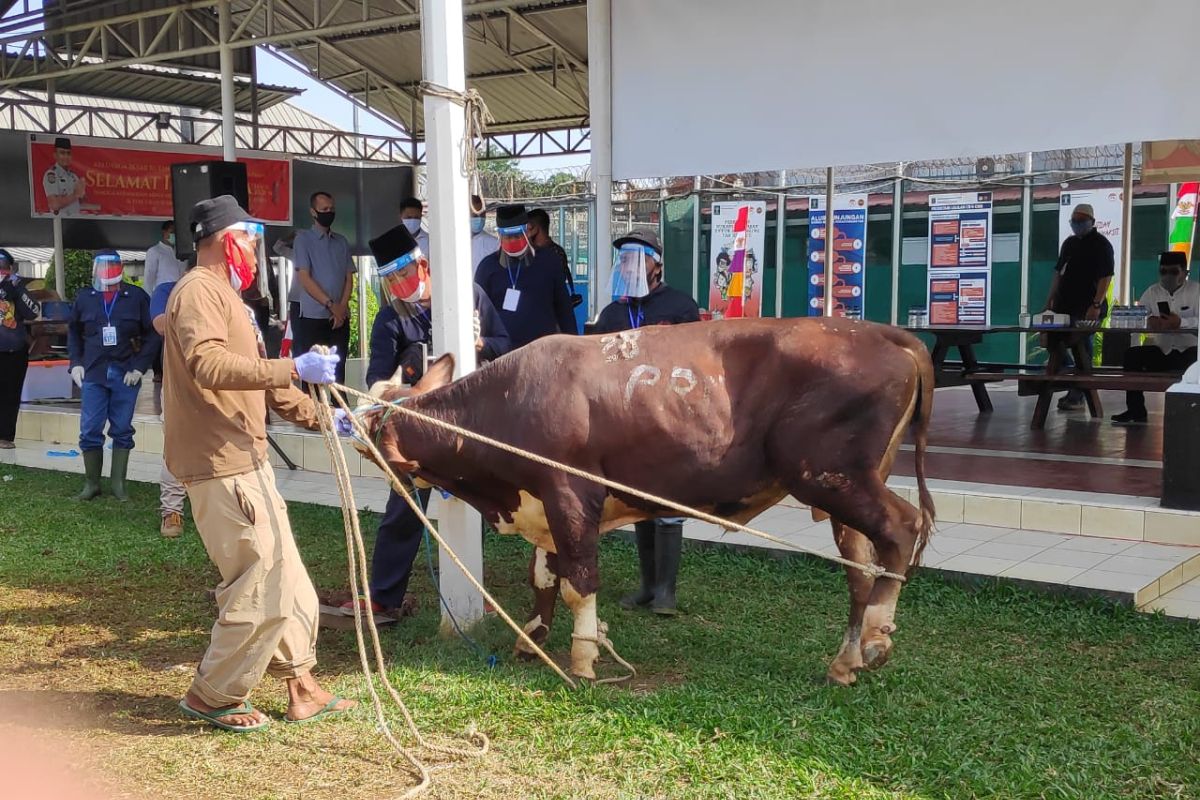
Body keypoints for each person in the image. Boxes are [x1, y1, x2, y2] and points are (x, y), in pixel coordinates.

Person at [164, 194, 353, 731]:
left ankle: (302, 684)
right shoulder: (199, 291)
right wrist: (292, 364)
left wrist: (324, 417)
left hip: (248, 457)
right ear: (228, 239)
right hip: (220, 463)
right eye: (249, 237)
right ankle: (214, 695)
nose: (255, 248)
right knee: (260, 578)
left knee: (287, 575)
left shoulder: (228, 297)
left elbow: (259, 382)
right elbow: (209, 363)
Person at [340, 223, 511, 619]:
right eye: (392, 279)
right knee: (403, 509)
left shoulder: (469, 297)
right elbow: (376, 380)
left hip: (467, 425)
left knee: (473, 508)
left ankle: (470, 590)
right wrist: (401, 378)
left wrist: (480, 342)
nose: (401, 284)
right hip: (416, 434)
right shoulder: (389, 320)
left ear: (423, 265)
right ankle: (383, 596)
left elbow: (507, 346)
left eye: (404, 273)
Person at [594, 229, 700, 616]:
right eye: (623, 258)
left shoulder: (681, 306)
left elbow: (696, 361)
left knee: (668, 500)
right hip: (626, 424)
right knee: (639, 502)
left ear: (658, 263)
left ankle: (666, 592)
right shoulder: (612, 313)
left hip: (669, 420)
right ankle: (646, 586)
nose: (629, 265)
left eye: (638, 257)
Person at [67, 250, 155, 501]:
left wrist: (140, 367)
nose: (107, 272)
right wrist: (75, 363)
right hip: (93, 373)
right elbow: (73, 331)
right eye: (102, 267)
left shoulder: (135, 297)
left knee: (122, 428)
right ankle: (92, 484)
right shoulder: (85, 297)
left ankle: (118, 484)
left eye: (111, 267)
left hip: (125, 373)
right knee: (90, 429)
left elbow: (153, 334)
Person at [1111, 251, 1200, 424]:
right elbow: (1139, 316)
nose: (1168, 276)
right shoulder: (1152, 292)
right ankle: (1135, 410)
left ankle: (1191, 413)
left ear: (1185, 272)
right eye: (1163, 271)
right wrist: (1149, 321)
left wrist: (1180, 323)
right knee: (1132, 356)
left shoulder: (1196, 291)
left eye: (1173, 272)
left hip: (1191, 353)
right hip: (1163, 351)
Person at [474, 203, 579, 349]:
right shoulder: (487, 267)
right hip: (502, 357)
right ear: (499, 235)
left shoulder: (549, 261)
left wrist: (573, 347)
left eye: (517, 235)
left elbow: (564, 309)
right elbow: (478, 314)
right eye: (507, 236)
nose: (512, 241)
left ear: (527, 231)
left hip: (542, 353)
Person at [1043, 203, 1114, 411]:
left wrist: (1096, 304)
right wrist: (1049, 300)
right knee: (1051, 338)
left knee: (1082, 342)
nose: (1077, 225)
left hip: (1087, 306)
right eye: (1074, 221)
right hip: (1064, 305)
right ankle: (1066, 371)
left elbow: (1105, 276)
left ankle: (1078, 392)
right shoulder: (1069, 244)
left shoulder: (1101, 245)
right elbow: (1059, 273)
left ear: (1092, 222)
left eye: (1081, 221)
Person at [292, 191, 355, 384]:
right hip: (312, 317)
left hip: (339, 318)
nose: (329, 212)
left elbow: (349, 277)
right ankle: (314, 414)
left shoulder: (341, 242)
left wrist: (341, 308)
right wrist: (330, 304)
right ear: (313, 212)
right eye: (324, 209)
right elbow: (304, 277)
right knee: (312, 377)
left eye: (332, 209)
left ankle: (340, 413)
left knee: (339, 373)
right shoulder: (303, 239)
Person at [149, 277, 186, 537]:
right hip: (177, 384)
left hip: (219, 382)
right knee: (175, 446)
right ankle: (172, 511)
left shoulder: (227, 291)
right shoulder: (167, 290)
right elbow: (161, 325)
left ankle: (226, 511)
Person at [0, 248, 41, 449]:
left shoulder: (16, 286)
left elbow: (34, 312)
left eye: (3, 267)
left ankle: (5, 436)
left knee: (11, 394)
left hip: (13, 350)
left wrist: (18, 291)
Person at [527, 207, 582, 309]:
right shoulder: (531, 252)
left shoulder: (554, 253)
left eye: (527, 228)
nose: (525, 233)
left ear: (534, 228)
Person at [43, 137, 86, 217]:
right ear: (55, 155)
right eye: (62, 153)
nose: (66, 156)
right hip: (59, 222)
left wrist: (82, 192)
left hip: (75, 220)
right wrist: (75, 195)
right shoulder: (52, 175)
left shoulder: (74, 176)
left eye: (68, 153)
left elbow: (81, 200)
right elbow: (54, 204)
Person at [144, 220, 187, 294]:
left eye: (176, 233)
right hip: (162, 294)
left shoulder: (182, 252)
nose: (174, 235)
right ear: (164, 232)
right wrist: (148, 299)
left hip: (180, 293)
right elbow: (149, 278)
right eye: (172, 232)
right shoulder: (154, 251)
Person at [469, 195, 499, 270]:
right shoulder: (454, 244)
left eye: (482, 215)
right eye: (474, 215)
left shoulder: (494, 244)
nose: (479, 219)